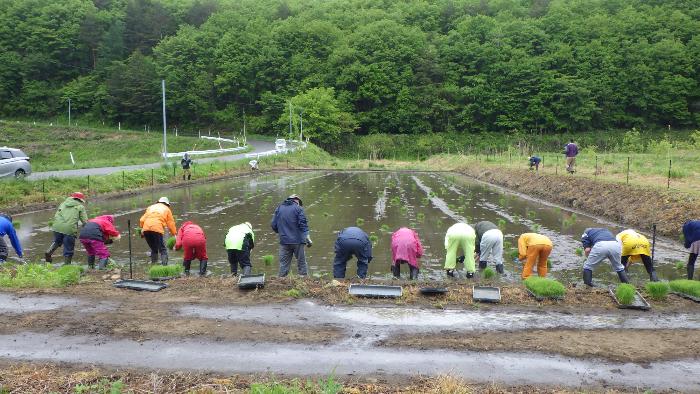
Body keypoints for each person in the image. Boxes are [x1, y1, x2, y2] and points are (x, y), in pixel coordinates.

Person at [271, 194, 311, 277]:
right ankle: (303, 281)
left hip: (284, 241)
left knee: (283, 265)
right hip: (298, 241)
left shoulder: (279, 208)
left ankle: (281, 282)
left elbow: (273, 225)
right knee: (301, 263)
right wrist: (307, 236)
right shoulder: (298, 208)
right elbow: (303, 224)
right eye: (299, 202)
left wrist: (282, 232)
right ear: (296, 200)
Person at [45, 192, 88, 265]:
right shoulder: (80, 207)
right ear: (80, 200)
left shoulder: (63, 203)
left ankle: (49, 252)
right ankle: (67, 266)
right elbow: (85, 221)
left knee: (57, 241)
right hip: (69, 229)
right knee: (69, 248)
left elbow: (57, 214)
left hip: (56, 226)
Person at [139, 197, 177, 265]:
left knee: (154, 249)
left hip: (146, 229)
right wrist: (174, 234)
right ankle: (165, 266)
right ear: (167, 204)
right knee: (162, 249)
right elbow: (171, 223)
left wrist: (142, 228)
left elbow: (142, 220)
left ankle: (154, 265)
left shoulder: (150, 207)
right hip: (157, 228)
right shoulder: (167, 209)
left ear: (158, 201)